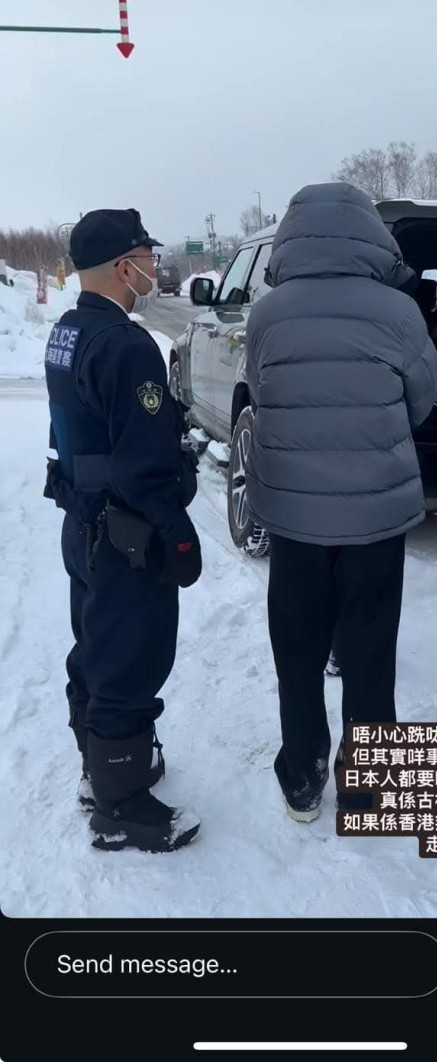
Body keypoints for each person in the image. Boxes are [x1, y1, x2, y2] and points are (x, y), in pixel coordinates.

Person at [244, 182, 437, 821]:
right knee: (371, 647)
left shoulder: (268, 313)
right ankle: (370, 783)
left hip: (295, 518)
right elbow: (418, 402)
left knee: (297, 650)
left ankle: (302, 776)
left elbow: (265, 399)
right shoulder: (400, 312)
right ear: (370, 236)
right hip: (376, 516)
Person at [44, 208, 202, 852]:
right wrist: (180, 532)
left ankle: (100, 766)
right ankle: (122, 806)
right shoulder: (129, 345)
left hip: (83, 524)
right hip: (125, 534)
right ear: (121, 266)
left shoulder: (68, 330)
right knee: (130, 661)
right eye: (147, 256)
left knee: (95, 648)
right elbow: (144, 467)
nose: (155, 268)